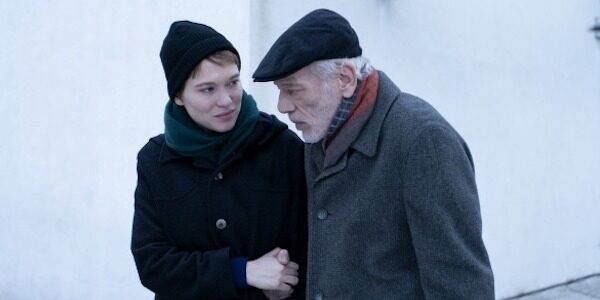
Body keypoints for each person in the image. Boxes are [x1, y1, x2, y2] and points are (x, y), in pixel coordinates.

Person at [252, 8, 495, 299]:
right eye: (280, 90)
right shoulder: (322, 128)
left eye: (293, 90)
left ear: (345, 79)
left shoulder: (423, 140)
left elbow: (460, 282)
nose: (282, 106)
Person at [131, 21, 307, 300]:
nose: (226, 100)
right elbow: (152, 261)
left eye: (232, 83)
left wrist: (289, 280)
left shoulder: (282, 147)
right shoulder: (155, 161)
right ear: (178, 95)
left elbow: (315, 243)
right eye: (207, 89)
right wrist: (241, 271)